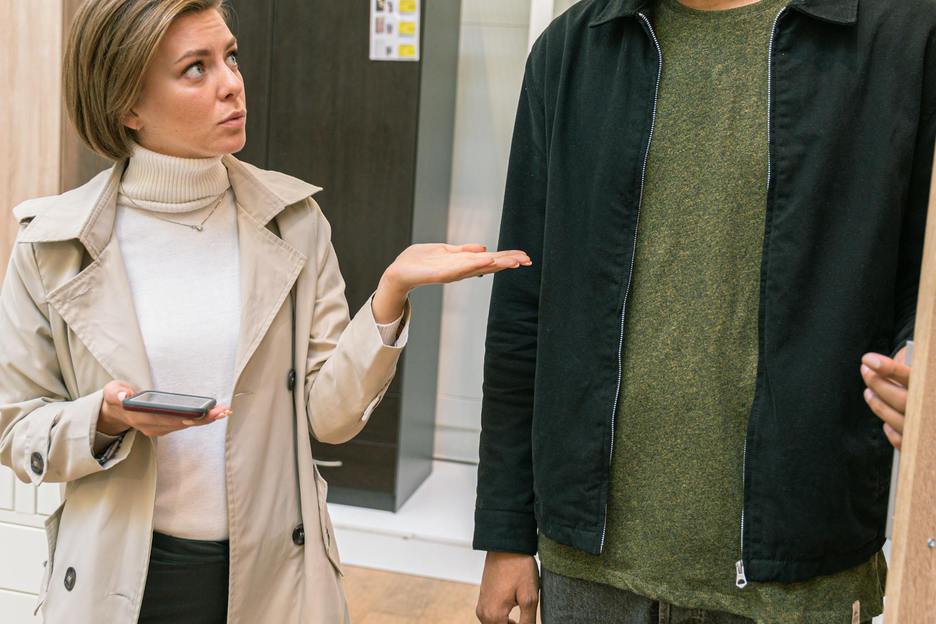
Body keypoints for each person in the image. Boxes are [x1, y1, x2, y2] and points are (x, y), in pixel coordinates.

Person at [0, 1, 531, 622]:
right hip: (117, 583)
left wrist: (389, 296)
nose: (232, 83)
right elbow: (15, 429)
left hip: (274, 579)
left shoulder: (294, 223)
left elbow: (330, 418)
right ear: (128, 106)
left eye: (231, 57)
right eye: (196, 68)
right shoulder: (53, 245)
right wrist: (105, 418)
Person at [473, 0, 934, 622]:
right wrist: (506, 531)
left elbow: (923, 279)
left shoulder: (903, 37)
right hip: (587, 569)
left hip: (795, 577)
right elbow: (521, 309)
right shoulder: (573, 48)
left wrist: (921, 360)